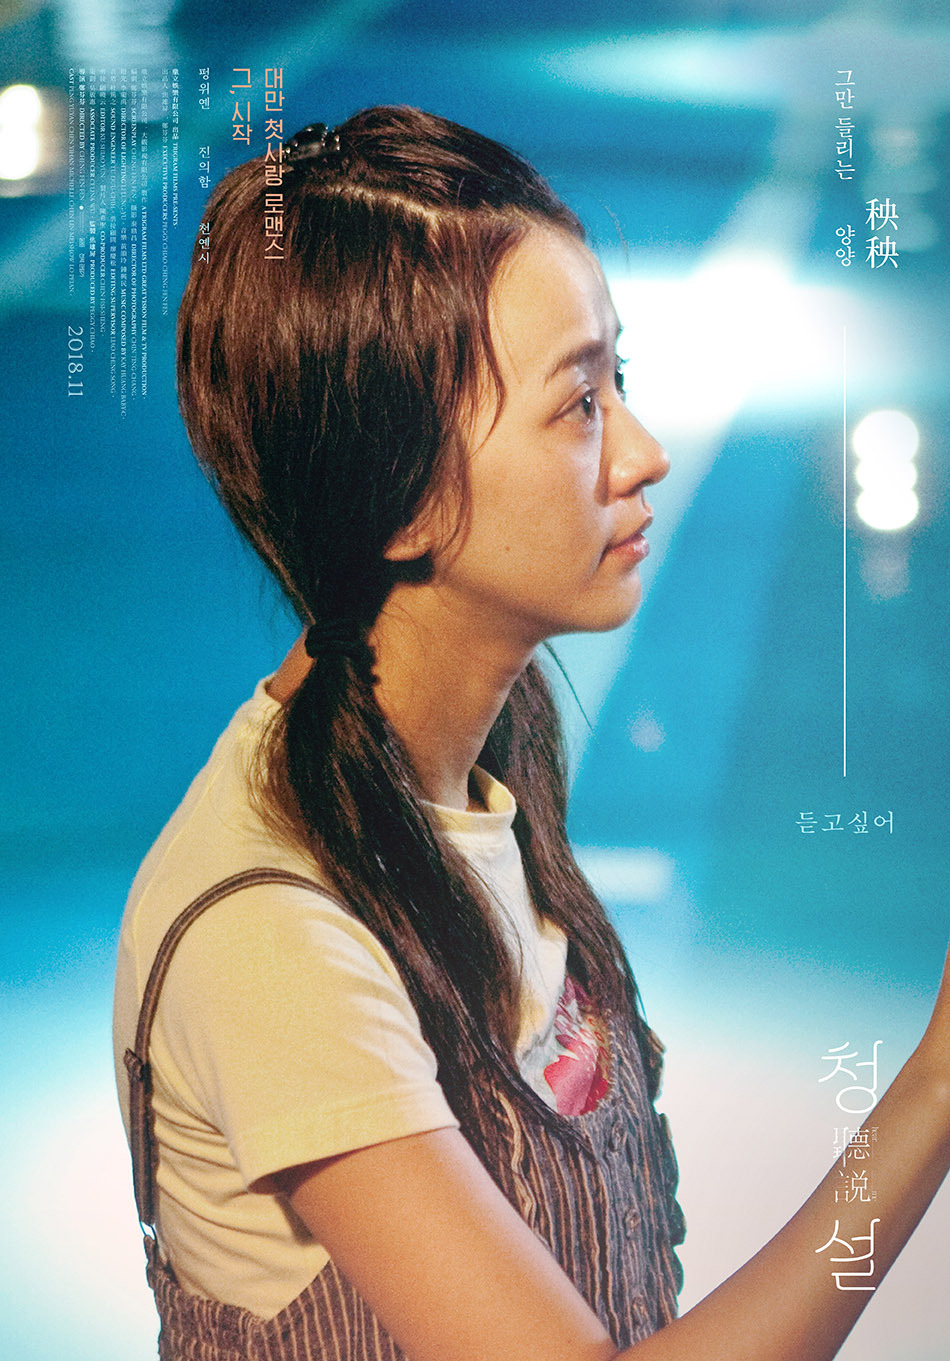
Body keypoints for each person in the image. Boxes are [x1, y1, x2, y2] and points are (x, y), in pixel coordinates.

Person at [113, 105, 950, 1361]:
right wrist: (934, 1085)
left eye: (620, 381)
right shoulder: (269, 933)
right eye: (577, 405)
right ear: (399, 495)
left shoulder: (495, 744)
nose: (643, 453)